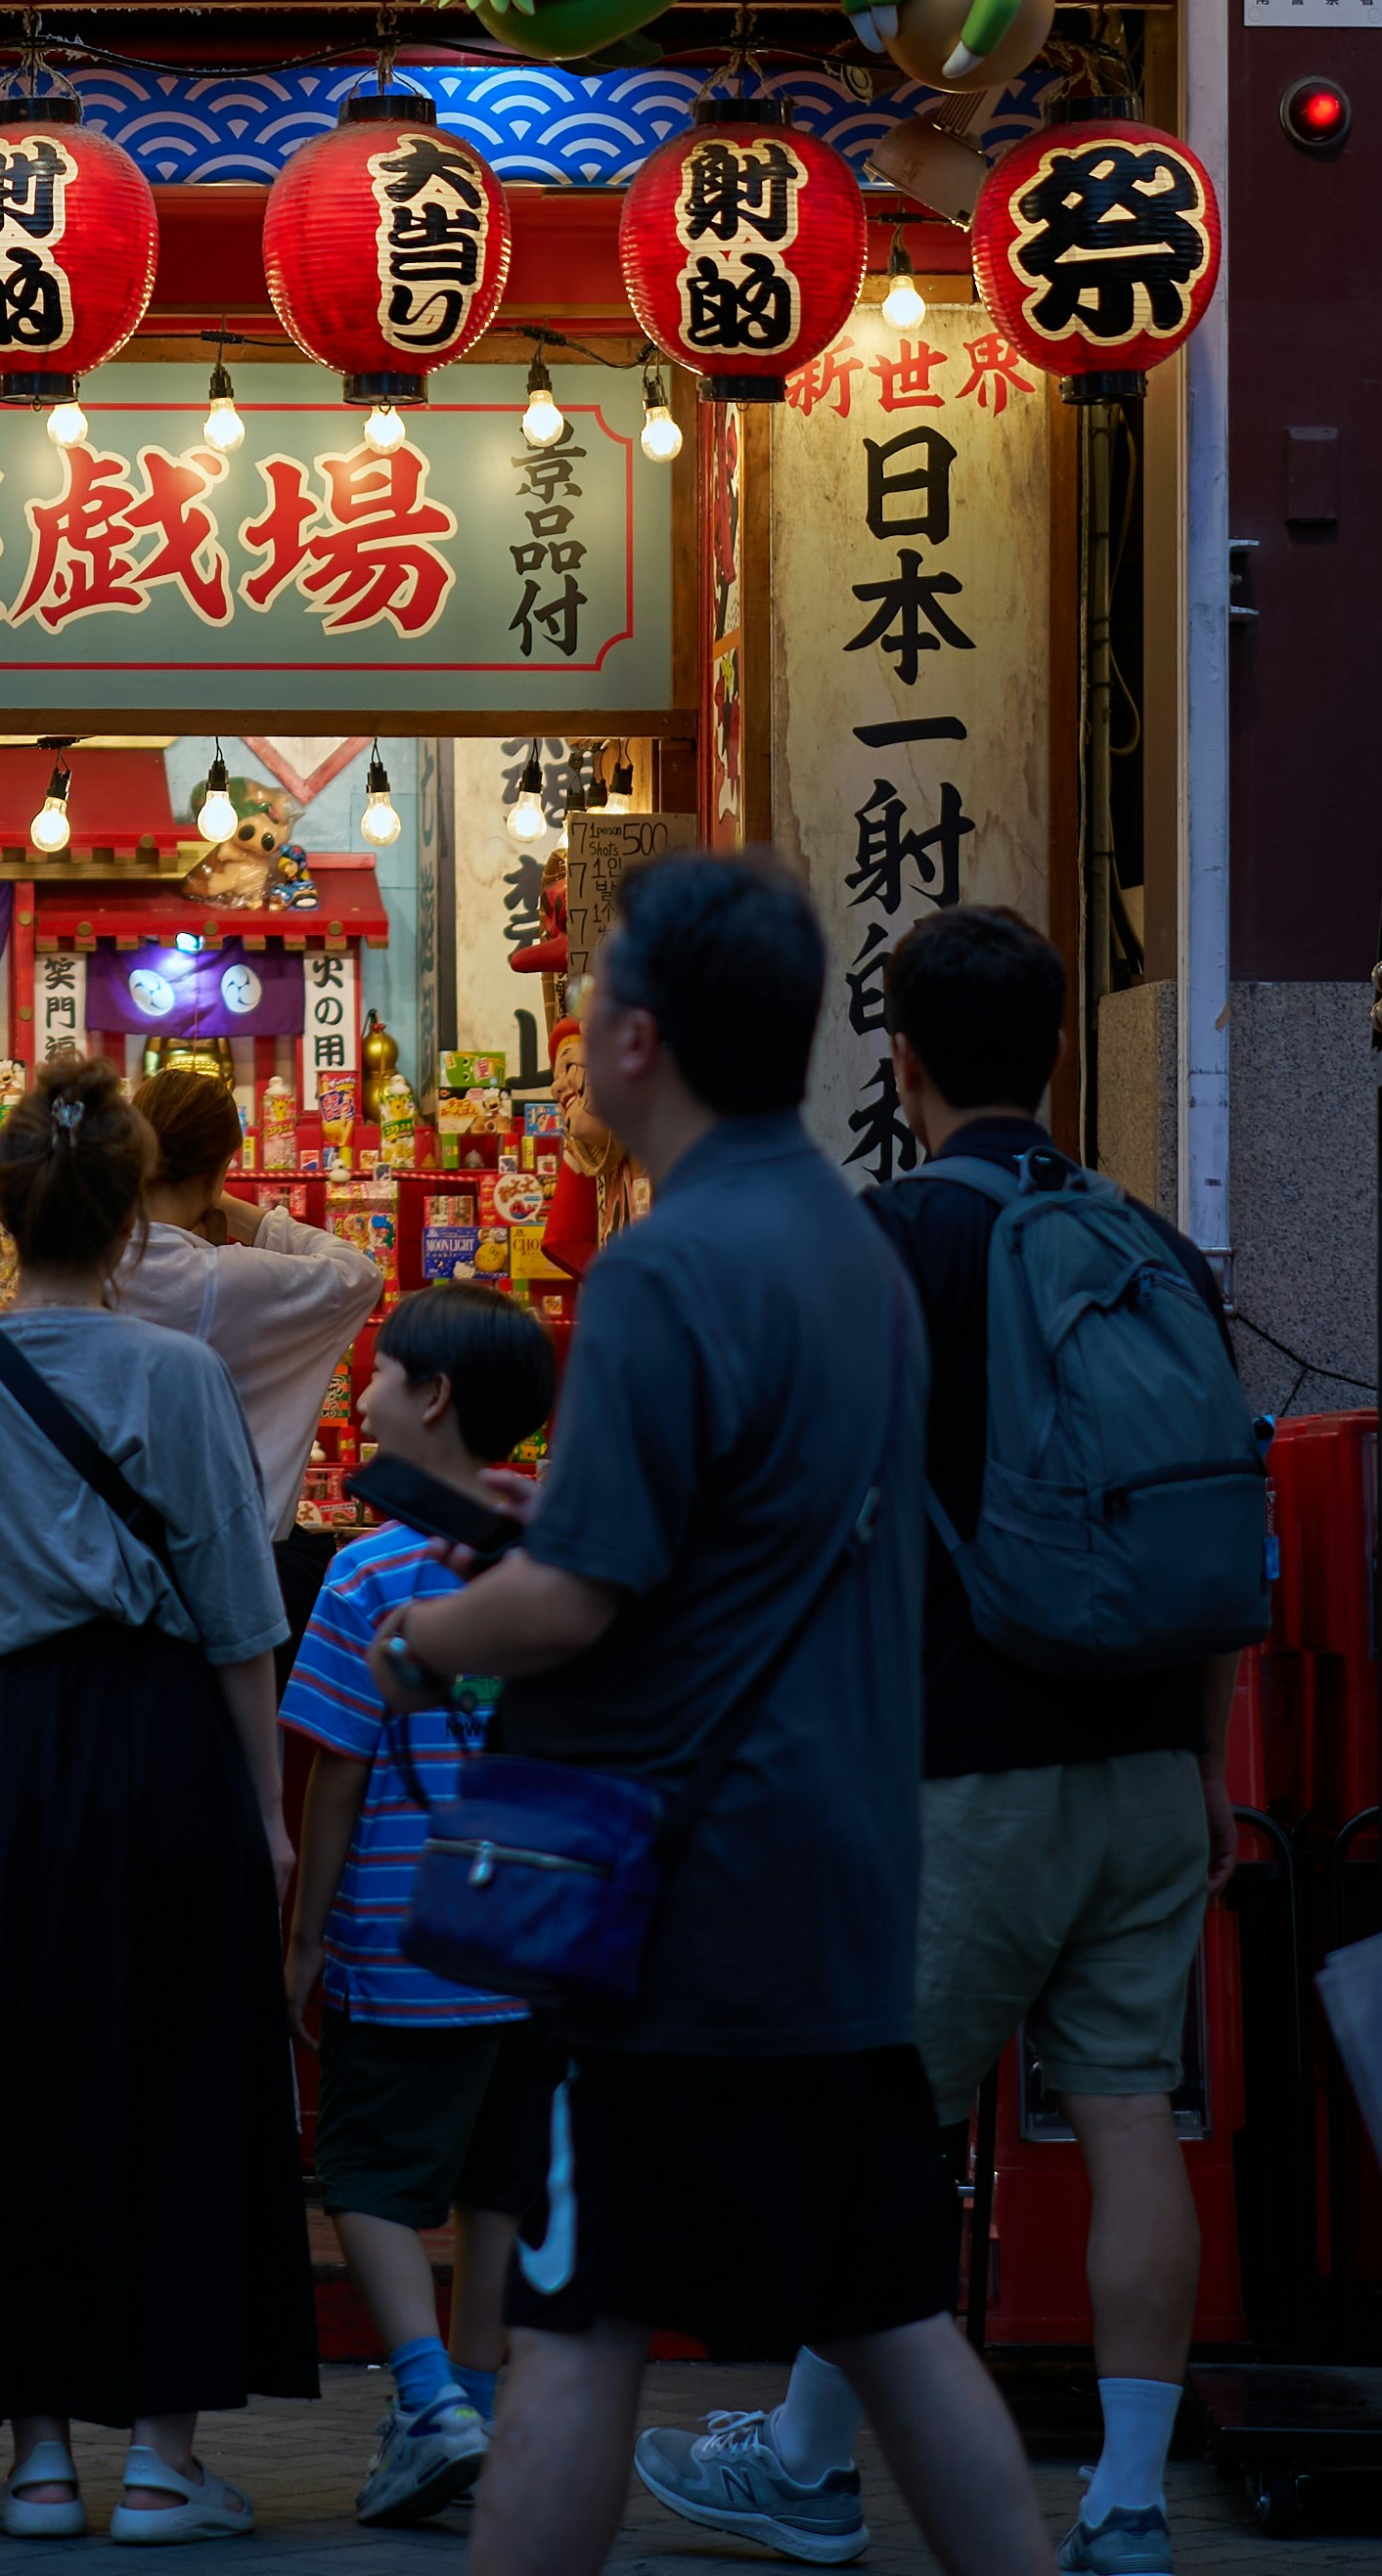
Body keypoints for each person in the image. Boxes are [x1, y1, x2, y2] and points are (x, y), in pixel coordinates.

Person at [361, 858, 1053, 2576]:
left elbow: (569, 1600)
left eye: (592, 988)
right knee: (891, 2316)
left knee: (575, 2324)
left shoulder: (666, 1267)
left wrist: (419, 1630)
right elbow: (748, 1541)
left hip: (679, 1905)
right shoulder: (855, 1247)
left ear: (636, 1037)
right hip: (838, 1884)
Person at [636, 905, 1245, 2576]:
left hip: (955, 1772)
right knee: (1126, 2111)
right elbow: (1204, 1528)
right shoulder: (1149, 1246)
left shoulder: (882, 1245)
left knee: (872, 2131)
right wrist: (1199, 1761)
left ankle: (806, 2465)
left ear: (894, 1059)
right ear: (1056, 1050)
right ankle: (1126, 2502)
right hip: (1144, 1759)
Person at [0, 1057, 313, 2546]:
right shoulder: (181, 1376)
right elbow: (239, 1621)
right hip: (164, 1746)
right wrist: (265, 1810)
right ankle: (163, 2464)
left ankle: (38, 2459)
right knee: (179, 2079)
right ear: (129, 1224)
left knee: (11, 2088)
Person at [282, 1287, 563, 2532]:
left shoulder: (366, 1570)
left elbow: (337, 1771)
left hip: (407, 1940)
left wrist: (304, 1939)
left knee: (367, 2174)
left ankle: (429, 2398)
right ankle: (479, 2400)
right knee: (498, 2182)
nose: (364, 1388)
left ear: (434, 1397)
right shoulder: (561, 1556)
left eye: (382, 1370)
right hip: (541, 1934)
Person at [113, 1067, 385, 1536]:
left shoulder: (87, 1267)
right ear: (220, 1169)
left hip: (104, 1551)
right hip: (230, 1550)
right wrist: (245, 1214)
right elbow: (359, 1275)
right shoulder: (229, 1279)